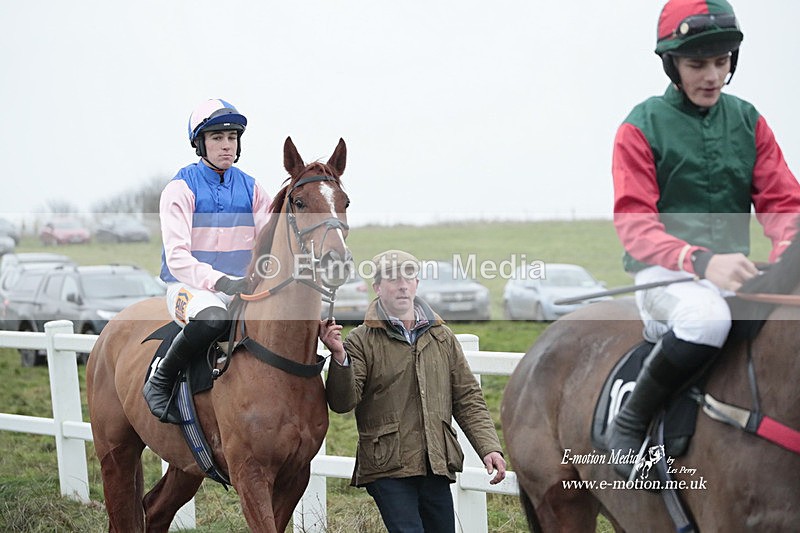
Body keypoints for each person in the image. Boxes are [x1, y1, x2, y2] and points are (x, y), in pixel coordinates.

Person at [608, 0, 800, 479]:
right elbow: (635, 224)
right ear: (672, 64)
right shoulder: (640, 125)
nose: (713, 76)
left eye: (722, 61)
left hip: (732, 272)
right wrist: (699, 260)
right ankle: (628, 426)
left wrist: (787, 262)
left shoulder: (748, 120)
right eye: (697, 64)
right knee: (708, 319)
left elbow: (784, 204)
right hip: (663, 275)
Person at [319, 250, 506, 532]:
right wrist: (339, 357)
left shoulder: (442, 336)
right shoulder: (360, 340)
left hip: (435, 462)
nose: (402, 286)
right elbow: (343, 402)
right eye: (393, 279)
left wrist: (489, 447)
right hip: (387, 466)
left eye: (408, 278)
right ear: (378, 287)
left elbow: (468, 398)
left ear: (417, 284)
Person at [143, 98, 272, 424]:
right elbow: (177, 258)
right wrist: (221, 281)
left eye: (232, 137)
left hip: (240, 288)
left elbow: (271, 241)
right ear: (200, 144)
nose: (227, 145)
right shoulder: (180, 188)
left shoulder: (253, 188)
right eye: (217, 138)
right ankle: (160, 380)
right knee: (214, 319)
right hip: (189, 288)